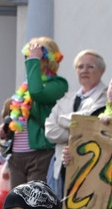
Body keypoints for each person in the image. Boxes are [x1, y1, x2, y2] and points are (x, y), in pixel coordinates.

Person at [6, 38, 69, 188]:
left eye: (36, 57)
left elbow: (37, 93)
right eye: (28, 56)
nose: (30, 60)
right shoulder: (26, 85)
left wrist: (33, 60)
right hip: (17, 155)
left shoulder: (58, 84)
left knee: (34, 204)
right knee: (17, 204)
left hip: (39, 154)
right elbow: (21, 116)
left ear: (48, 60)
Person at [44, 50, 106, 197]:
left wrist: (62, 120)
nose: (84, 71)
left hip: (90, 165)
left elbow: (90, 122)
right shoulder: (66, 98)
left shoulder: (106, 96)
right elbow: (50, 131)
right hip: (61, 165)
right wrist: (78, 131)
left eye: (90, 67)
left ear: (101, 71)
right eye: (80, 67)